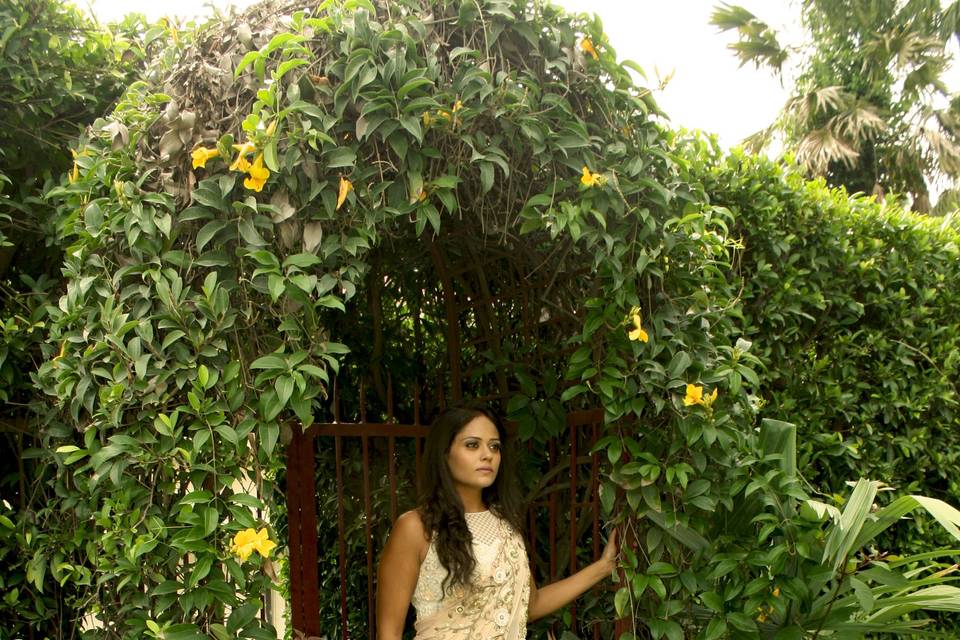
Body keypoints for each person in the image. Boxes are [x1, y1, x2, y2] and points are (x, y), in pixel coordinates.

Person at [376, 405, 618, 640]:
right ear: (445, 453)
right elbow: (389, 633)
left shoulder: (506, 525)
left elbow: (531, 605)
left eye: (494, 446)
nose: (487, 455)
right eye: (472, 445)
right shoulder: (415, 527)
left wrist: (603, 567)